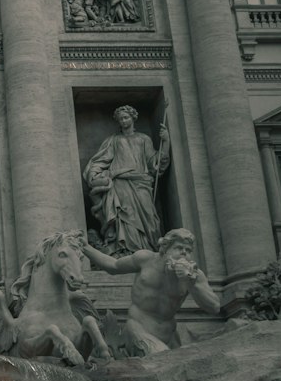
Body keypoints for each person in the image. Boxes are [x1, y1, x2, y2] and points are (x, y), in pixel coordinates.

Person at [82, 228, 219, 354]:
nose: (184, 253)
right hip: (138, 329)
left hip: (170, 335)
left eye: (188, 250)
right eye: (178, 248)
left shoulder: (194, 275)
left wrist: (191, 282)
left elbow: (214, 307)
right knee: (165, 361)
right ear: (165, 250)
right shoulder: (145, 259)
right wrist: (85, 247)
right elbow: (113, 265)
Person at [84, 105, 169, 255]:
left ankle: (148, 249)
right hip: (121, 183)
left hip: (141, 182)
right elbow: (101, 160)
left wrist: (166, 142)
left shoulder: (144, 139)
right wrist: (94, 174)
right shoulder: (113, 140)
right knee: (125, 215)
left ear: (132, 118)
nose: (123, 121)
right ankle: (126, 250)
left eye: (126, 117)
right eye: (120, 119)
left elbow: (154, 164)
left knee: (149, 219)